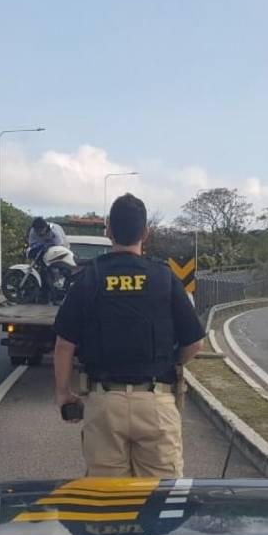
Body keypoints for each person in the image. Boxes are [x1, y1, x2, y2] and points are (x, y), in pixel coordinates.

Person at [52, 193, 205, 477]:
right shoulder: (164, 277)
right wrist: (174, 364)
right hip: (156, 402)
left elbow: (64, 344)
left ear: (108, 230)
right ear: (146, 232)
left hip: (105, 404)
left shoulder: (89, 277)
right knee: (160, 503)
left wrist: (63, 393)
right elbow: (194, 342)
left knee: (107, 504)